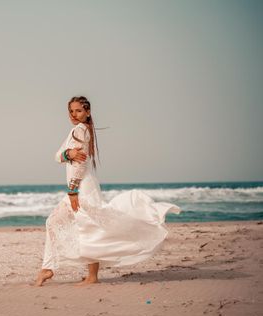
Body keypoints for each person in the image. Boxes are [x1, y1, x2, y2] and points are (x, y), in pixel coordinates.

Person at [33, 96, 181, 287]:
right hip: (84, 186)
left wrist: (72, 191)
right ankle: (75, 273)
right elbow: (57, 156)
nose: (74, 114)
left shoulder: (80, 130)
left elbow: (79, 163)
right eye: (71, 111)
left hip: (80, 187)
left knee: (64, 223)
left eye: (78, 110)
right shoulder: (83, 130)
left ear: (87, 112)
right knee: (89, 227)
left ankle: (51, 269)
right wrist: (67, 154)